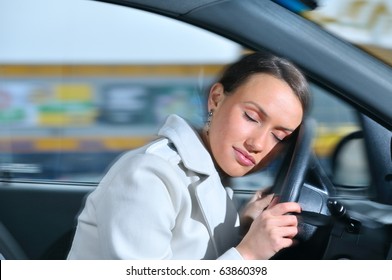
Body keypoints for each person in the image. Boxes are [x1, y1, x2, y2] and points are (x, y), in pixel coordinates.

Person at [67, 51, 310, 260]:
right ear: (216, 99)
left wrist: (242, 228)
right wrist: (249, 253)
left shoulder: (209, 171)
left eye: (278, 136)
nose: (257, 144)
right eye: (251, 117)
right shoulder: (147, 175)